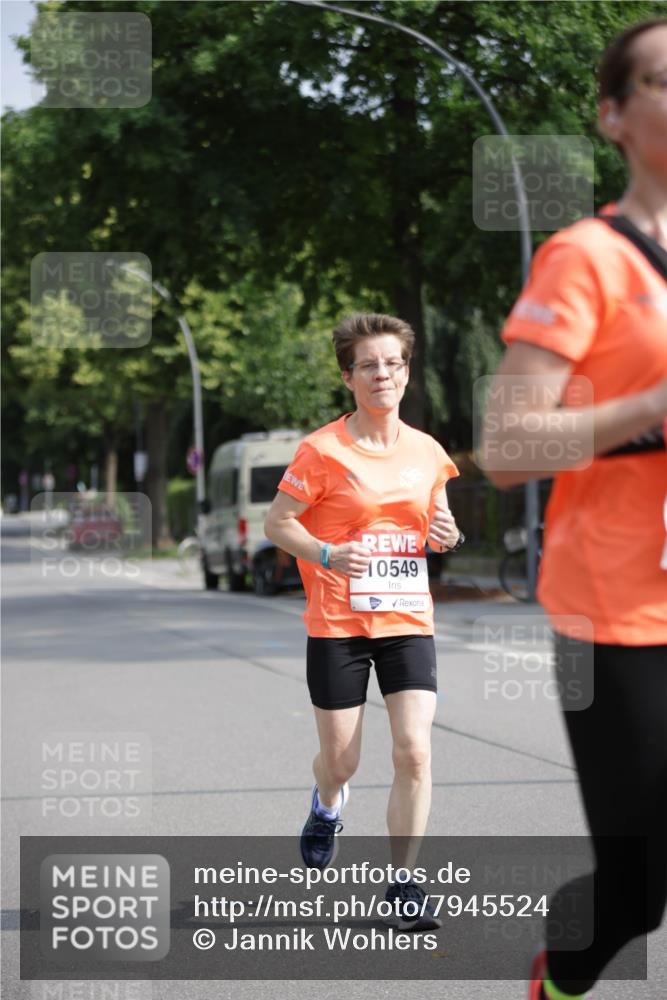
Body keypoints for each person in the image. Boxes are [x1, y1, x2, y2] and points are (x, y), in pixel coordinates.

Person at [483, 18, 667, 1000]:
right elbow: (507, 448)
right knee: (636, 893)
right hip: (615, 616)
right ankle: (557, 979)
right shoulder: (586, 258)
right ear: (612, 116)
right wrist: (650, 405)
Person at [264, 312, 462, 931]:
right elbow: (278, 523)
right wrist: (327, 553)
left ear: (406, 373)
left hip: (406, 618)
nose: (383, 374)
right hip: (338, 624)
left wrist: (448, 534)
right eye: (369, 365)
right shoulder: (321, 450)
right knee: (342, 762)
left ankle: (403, 883)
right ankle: (327, 805)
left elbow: (439, 525)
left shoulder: (427, 451)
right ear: (349, 377)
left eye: (393, 363)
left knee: (415, 752)